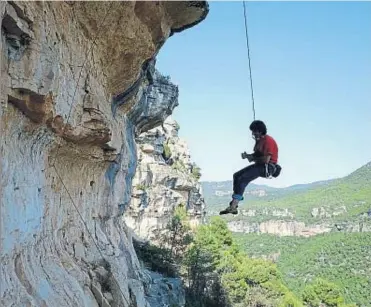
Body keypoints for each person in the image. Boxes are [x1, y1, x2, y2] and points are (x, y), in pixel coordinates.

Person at [220, 120, 280, 215]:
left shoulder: (268, 141)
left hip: (268, 167)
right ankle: (234, 203)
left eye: (254, 131)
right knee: (236, 176)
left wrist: (252, 157)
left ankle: (233, 205)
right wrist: (248, 156)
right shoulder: (259, 141)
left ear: (260, 131)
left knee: (243, 179)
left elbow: (266, 160)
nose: (253, 133)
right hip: (260, 165)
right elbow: (257, 155)